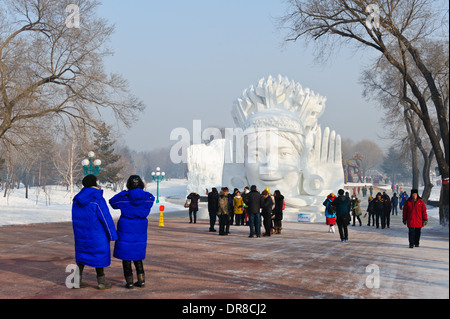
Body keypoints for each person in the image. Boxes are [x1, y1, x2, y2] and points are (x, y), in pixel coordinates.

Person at [71, 175, 118, 290]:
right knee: (99, 257)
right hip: (97, 235)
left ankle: (76, 282)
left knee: (81, 257)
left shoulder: (77, 200)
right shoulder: (97, 199)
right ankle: (101, 282)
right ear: (94, 183)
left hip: (81, 234)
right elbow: (105, 218)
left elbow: (76, 218)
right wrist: (113, 235)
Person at [109, 175, 155, 289]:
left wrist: (124, 192)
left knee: (126, 256)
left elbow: (112, 202)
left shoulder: (124, 197)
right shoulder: (147, 198)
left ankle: (129, 282)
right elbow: (152, 198)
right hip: (140, 228)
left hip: (126, 228)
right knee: (137, 255)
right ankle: (142, 280)